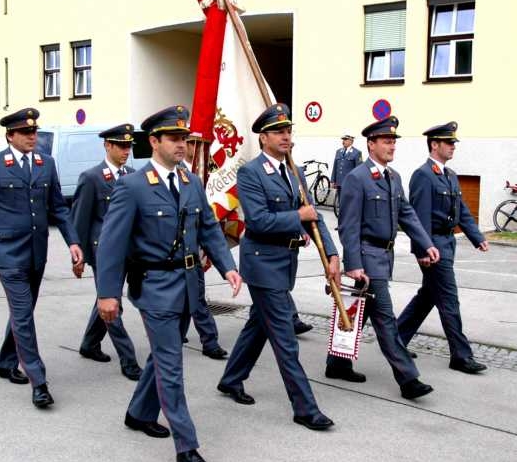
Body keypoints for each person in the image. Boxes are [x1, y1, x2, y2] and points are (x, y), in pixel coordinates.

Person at [96, 105, 242, 462]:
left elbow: (208, 227)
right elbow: (112, 244)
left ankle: (139, 413)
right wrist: (107, 294)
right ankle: (186, 447)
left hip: (189, 285)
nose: (183, 145)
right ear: (155, 141)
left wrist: (227, 267)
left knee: (163, 357)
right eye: (175, 139)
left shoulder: (191, 181)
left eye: (186, 139)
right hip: (155, 287)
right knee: (172, 366)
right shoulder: (132, 187)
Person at [217, 103, 339, 431]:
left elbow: (314, 216)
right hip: (262, 264)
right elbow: (257, 221)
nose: (286, 137)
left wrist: (332, 254)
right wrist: (298, 217)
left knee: (259, 324)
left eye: (289, 131)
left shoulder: (293, 171)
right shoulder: (251, 172)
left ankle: (231, 379)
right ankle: (305, 408)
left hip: (286, 263)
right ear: (264, 138)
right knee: (285, 337)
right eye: (279, 132)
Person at [0, 107, 83, 409]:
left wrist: (73, 242)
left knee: (22, 311)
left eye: (34, 132)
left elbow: (59, 208)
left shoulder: (46, 163)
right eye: (26, 133)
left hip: (36, 251)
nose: (32, 137)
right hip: (8, 252)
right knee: (24, 313)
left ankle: (6, 361)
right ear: (10, 135)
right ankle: (38, 380)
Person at [324, 116, 440, 400]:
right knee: (386, 319)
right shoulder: (357, 178)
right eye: (387, 141)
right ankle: (408, 379)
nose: (392, 146)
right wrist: (353, 264)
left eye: (394, 141)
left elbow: (407, 214)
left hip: (383, 257)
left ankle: (337, 364)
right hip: (367, 257)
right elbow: (348, 224)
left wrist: (426, 243)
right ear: (371, 144)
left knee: (361, 314)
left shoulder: (393, 177)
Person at [397, 121, 488, 374]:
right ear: (434, 144)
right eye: (448, 143)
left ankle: (396, 340)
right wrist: (422, 250)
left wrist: (476, 236)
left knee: (428, 296)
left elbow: (462, 212)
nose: (453, 147)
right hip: (433, 246)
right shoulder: (423, 175)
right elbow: (418, 217)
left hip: (447, 243)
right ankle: (460, 355)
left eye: (453, 143)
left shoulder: (449, 175)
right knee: (449, 299)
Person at [70, 124, 142, 380]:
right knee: (113, 304)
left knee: (105, 298)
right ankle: (129, 360)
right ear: (107, 145)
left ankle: (89, 344)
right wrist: (76, 255)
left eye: (129, 146)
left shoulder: (133, 175)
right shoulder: (92, 178)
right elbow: (79, 219)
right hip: (103, 252)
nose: (126, 151)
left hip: (129, 251)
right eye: (121, 146)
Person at [180, 140, 229, 359]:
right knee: (184, 300)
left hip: (192, 250)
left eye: (188, 142)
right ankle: (176, 335)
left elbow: (206, 220)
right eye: (190, 143)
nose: (190, 147)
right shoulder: (178, 172)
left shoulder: (199, 175)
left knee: (196, 298)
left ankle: (210, 341)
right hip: (169, 258)